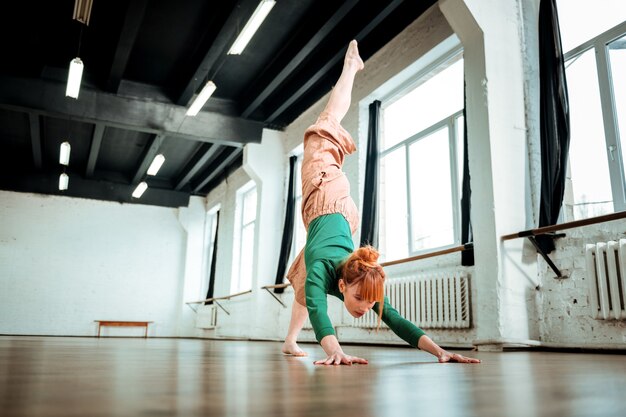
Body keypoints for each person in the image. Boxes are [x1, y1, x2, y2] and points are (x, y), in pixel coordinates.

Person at [282, 40, 480, 365]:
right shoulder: (329, 272)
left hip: (337, 216)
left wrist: (440, 352)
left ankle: (290, 340)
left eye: (366, 301)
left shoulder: (362, 284)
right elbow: (319, 311)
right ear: (343, 284)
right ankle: (350, 67)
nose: (364, 307)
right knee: (325, 125)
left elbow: (396, 319)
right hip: (326, 194)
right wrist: (336, 352)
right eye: (361, 300)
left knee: (305, 279)